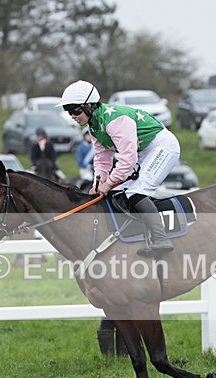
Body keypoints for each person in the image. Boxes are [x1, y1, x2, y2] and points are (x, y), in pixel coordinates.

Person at [57, 79, 179, 257]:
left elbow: (128, 159)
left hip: (162, 147)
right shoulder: (94, 125)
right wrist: (98, 183)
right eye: (68, 111)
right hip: (143, 152)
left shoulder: (114, 121)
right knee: (116, 193)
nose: (72, 116)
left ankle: (161, 238)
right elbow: (102, 158)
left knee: (135, 192)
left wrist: (109, 182)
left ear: (90, 105)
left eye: (75, 110)